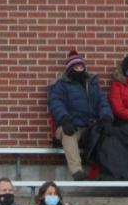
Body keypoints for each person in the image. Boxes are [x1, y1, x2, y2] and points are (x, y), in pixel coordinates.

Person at [47, 50, 111, 180]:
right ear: (70, 69)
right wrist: (64, 119)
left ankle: (108, 172)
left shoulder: (92, 84)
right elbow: (56, 103)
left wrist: (106, 116)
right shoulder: (61, 86)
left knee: (109, 133)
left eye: (81, 66)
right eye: (76, 67)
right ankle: (77, 171)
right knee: (67, 133)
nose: (79, 69)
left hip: (91, 126)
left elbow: (102, 102)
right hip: (71, 125)